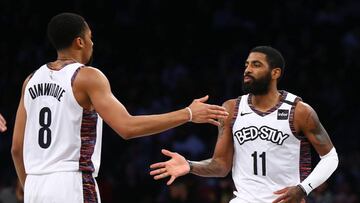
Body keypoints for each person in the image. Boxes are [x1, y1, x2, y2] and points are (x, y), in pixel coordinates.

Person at [11, 12, 229, 203]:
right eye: (90, 38)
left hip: (34, 184)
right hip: (70, 182)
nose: (92, 43)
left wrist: (31, 186)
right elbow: (127, 127)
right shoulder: (87, 76)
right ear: (80, 42)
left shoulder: (30, 80)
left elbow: (17, 149)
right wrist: (188, 113)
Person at [150, 46, 339, 203]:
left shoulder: (299, 111)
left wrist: (303, 189)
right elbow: (221, 165)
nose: (247, 69)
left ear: (275, 73)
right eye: (246, 65)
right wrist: (190, 166)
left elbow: (331, 158)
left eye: (256, 65)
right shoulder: (231, 108)